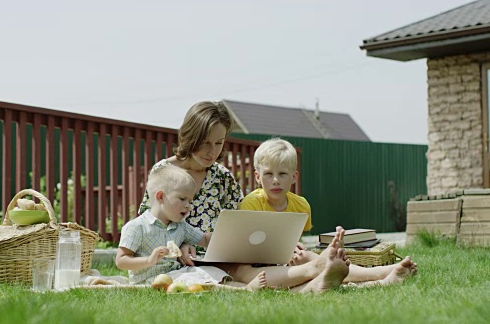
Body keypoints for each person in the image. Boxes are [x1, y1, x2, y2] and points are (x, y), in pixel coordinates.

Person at [136, 101, 354, 293]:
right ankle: (315, 271)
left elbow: (242, 224)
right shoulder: (163, 172)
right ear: (189, 135)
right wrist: (180, 244)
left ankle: (376, 275)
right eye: (205, 142)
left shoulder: (222, 177)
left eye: (218, 143)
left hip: (224, 253)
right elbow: (148, 224)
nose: (211, 151)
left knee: (253, 264)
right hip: (182, 258)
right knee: (241, 271)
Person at [239, 137, 418, 286]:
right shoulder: (250, 204)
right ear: (258, 177)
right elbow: (244, 247)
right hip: (258, 261)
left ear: (294, 177)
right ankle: (336, 271)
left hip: (286, 258)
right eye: (269, 174)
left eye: (282, 174)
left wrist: (296, 248)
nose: (276, 180)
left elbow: (296, 239)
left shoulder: (301, 206)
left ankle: (381, 272)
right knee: (313, 262)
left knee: (307, 256)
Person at [116, 165, 268, 290]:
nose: (188, 205)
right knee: (193, 279)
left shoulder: (180, 226)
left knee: (210, 271)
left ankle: (244, 286)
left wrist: (231, 235)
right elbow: (121, 261)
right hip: (150, 281)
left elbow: (204, 239)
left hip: (177, 273)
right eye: (183, 199)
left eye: (190, 200)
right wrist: (149, 260)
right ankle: (244, 290)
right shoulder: (137, 226)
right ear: (161, 196)